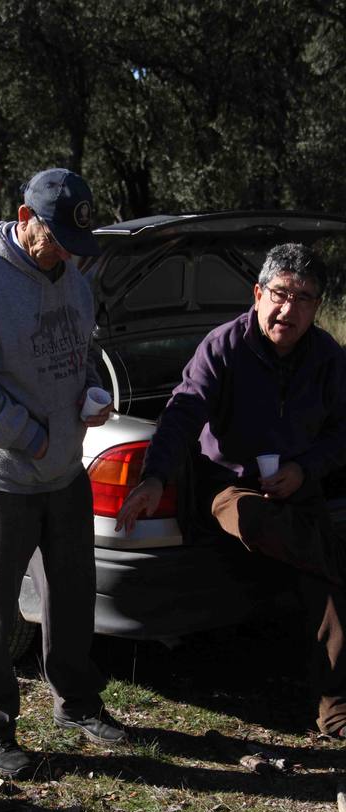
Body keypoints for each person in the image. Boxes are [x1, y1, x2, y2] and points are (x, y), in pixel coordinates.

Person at [0, 168, 126, 777]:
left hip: (65, 472)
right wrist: (36, 437)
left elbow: (77, 354)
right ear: (24, 219)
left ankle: (76, 701)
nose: (68, 254)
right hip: (4, 479)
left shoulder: (70, 274)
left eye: (77, 242)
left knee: (72, 595)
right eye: (58, 239)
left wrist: (92, 393)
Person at [116, 242, 346, 738]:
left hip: (297, 487)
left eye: (304, 298)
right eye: (281, 293)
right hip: (230, 489)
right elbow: (182, 413)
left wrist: (305, 470)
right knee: (271, 528)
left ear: (317, 308)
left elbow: (342, 434)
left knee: (326, 595)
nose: (290, 308)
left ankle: (336, 712)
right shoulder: (223, 346)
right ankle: (333, 562)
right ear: (258, 293)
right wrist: (154, 477)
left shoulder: (327, 357)